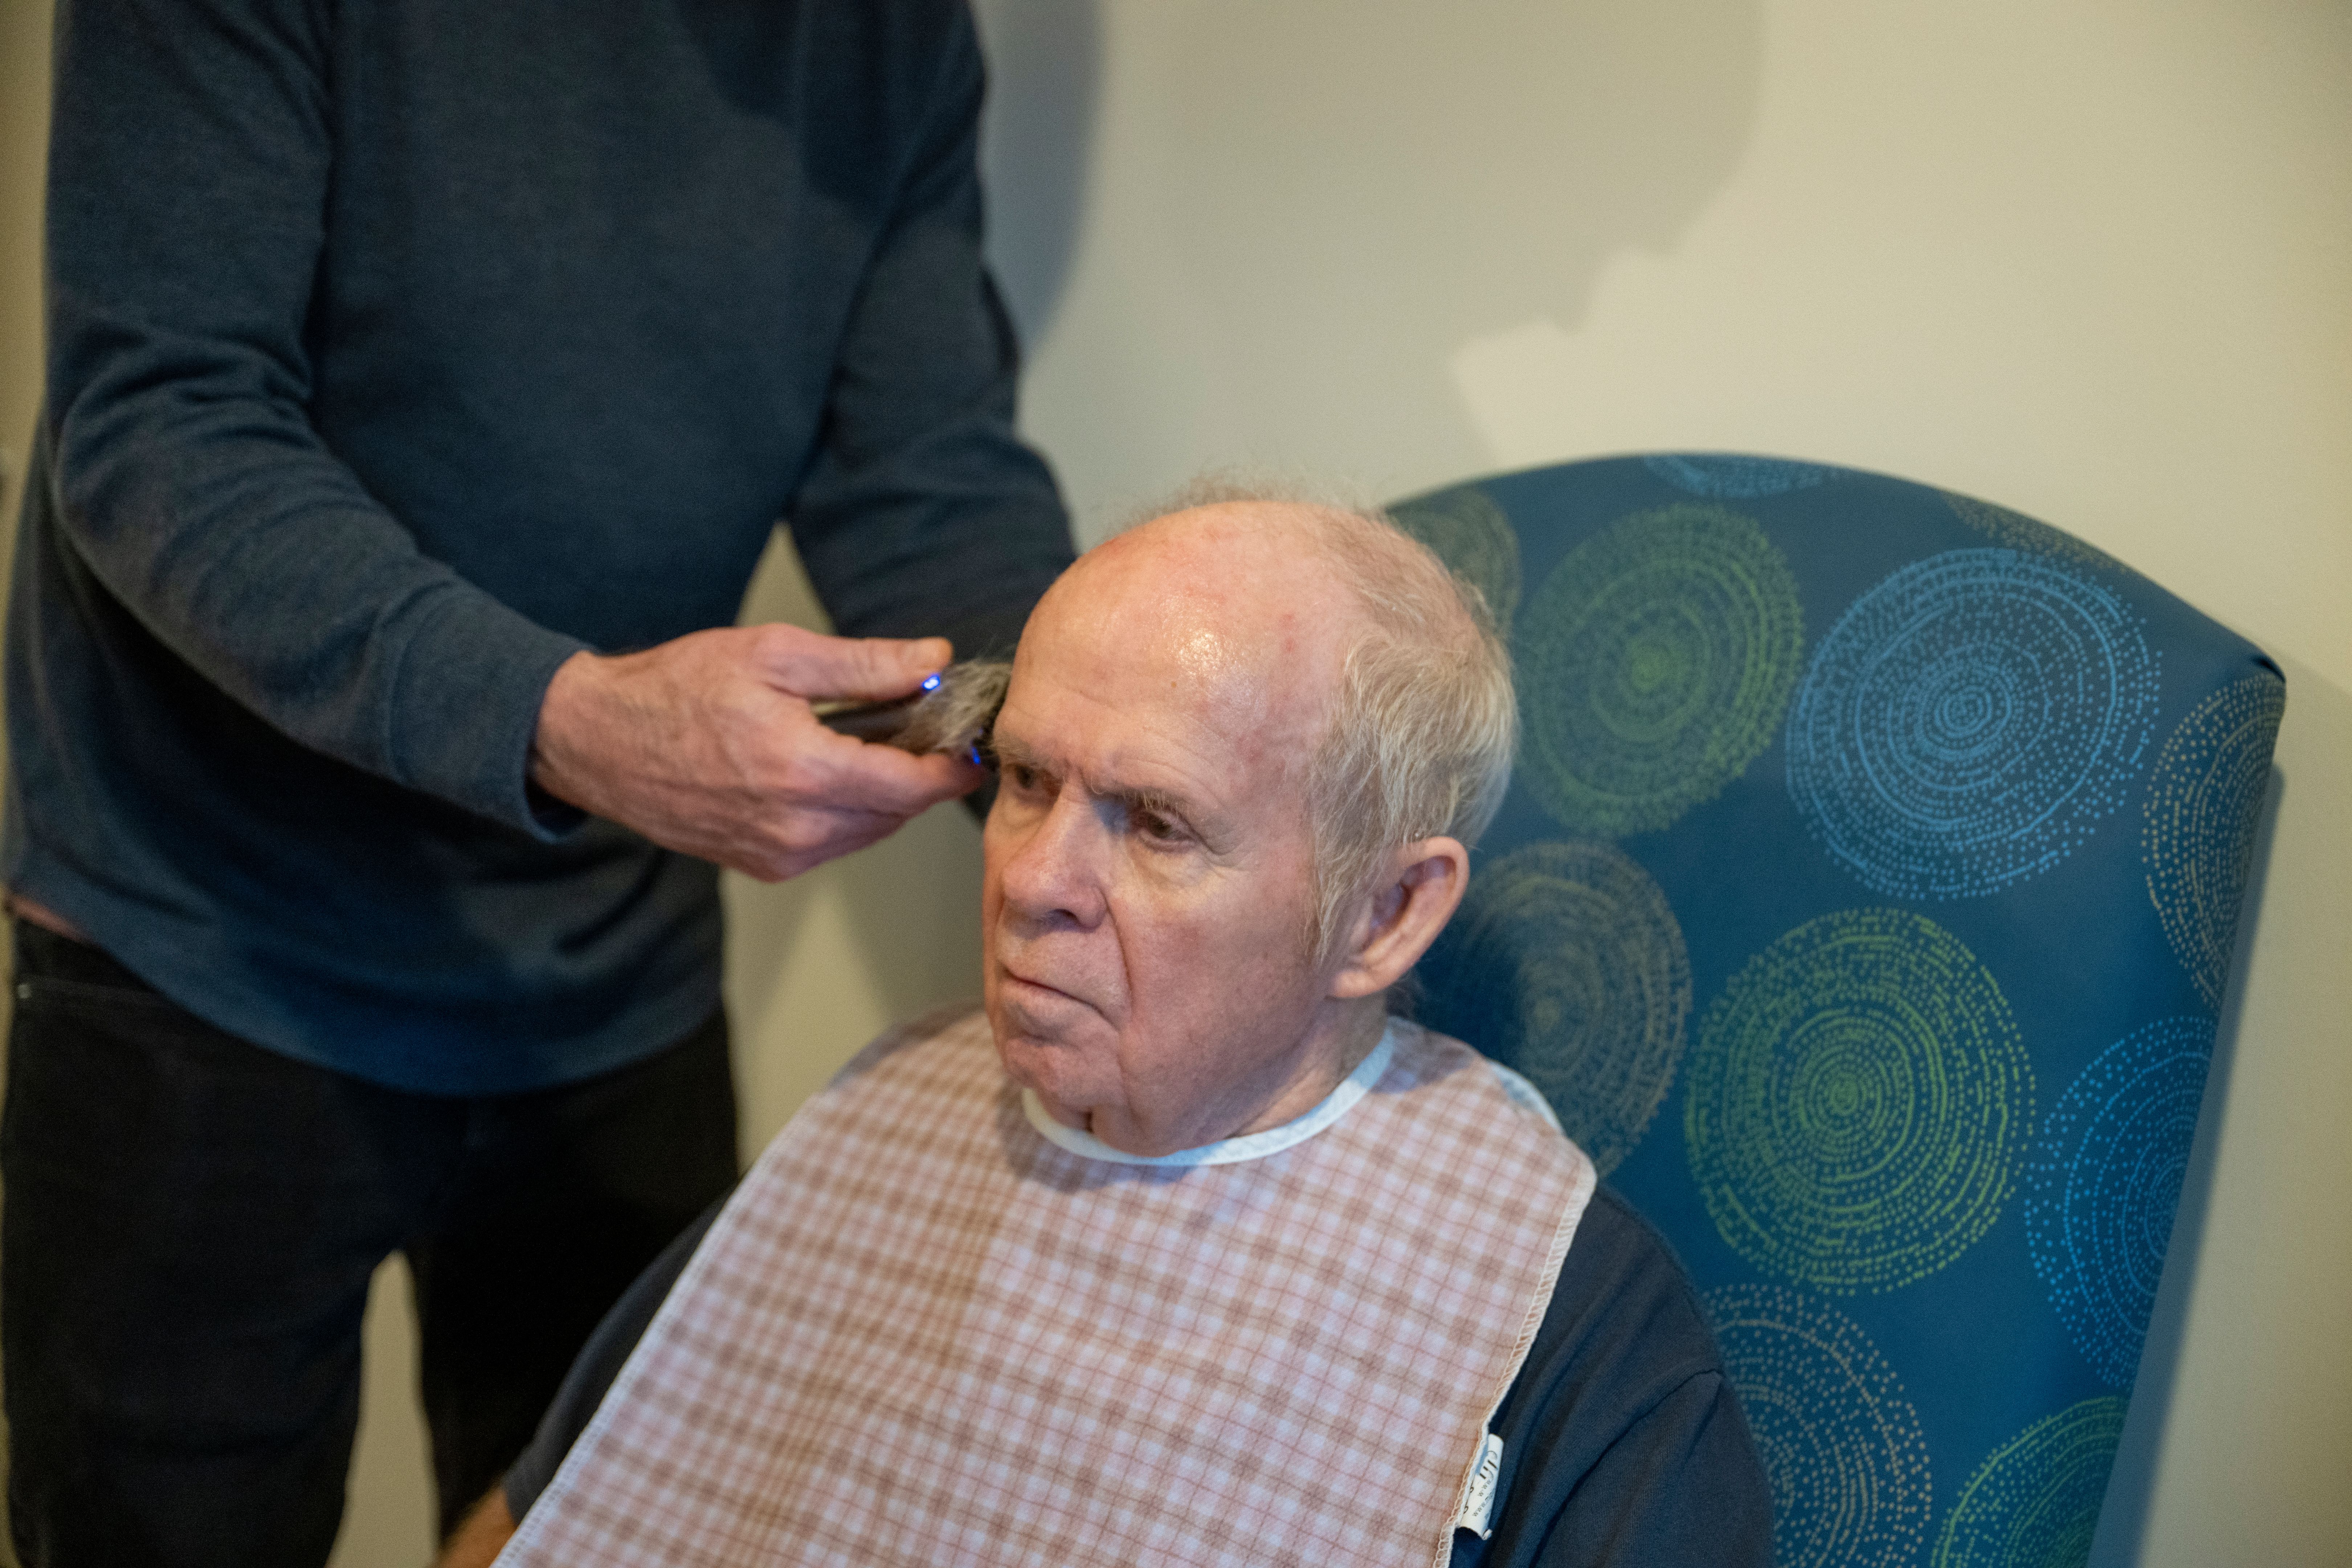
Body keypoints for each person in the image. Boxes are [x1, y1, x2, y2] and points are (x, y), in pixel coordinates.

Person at [1, 2, 1073, 1564]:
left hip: (609, 981)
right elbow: (162, 429)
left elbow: (928, 482)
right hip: (202, 950)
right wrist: (560, 719)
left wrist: (1077, 731)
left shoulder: (895, 37)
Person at [443, 496, 1773, 1568]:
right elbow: (556, 1513)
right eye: (1026, 779)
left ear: (1385, 913)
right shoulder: (874, 1121)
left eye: (1158, 823)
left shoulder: (1563, 1315)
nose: (1028, 880)